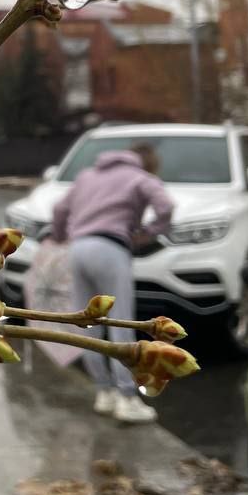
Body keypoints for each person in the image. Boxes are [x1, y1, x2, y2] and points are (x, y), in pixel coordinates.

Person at [51, 143, 175, 423]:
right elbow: (165, 207)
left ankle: (104, 392)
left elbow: (60, 209)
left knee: (88, 322)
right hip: (111, 248)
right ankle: (127, 398)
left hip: (78, 249)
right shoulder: (141, 178)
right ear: (149, 164)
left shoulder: (86, 177)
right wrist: (148, 233)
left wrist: (59, 236)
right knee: (121, 323)